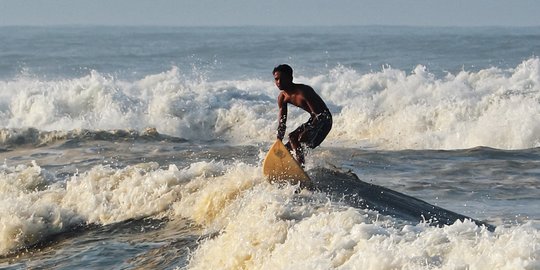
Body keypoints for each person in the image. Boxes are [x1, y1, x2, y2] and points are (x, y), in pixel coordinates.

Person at [273, 64, 332, 166]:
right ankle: (293, 167)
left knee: (296, 138)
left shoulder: (304, 91)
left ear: (290, 78)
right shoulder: (282, 97)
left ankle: (302, 166)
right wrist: (279, 140)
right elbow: (282, 122)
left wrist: (308, 130)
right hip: (314, 119)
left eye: (282, 79)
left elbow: (319, 115)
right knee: (286, 149)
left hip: (324, 120)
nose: (279, 82)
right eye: (276, 79)